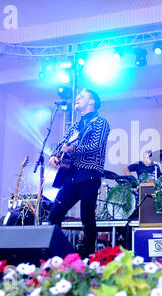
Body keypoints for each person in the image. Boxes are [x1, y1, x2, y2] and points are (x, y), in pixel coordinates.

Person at [48, 88, 110, 258]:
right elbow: (61, 143)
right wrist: (54, 155)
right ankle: (55, 254)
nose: (77, 98)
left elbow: (95, 147)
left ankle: (87, 255)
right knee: (54, 215)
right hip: (70, 176)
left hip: (89, 175)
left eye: (81, 96)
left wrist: (74, 148)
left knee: (87, 218)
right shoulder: (75, 125)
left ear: (91, 102)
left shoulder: (101, 122)